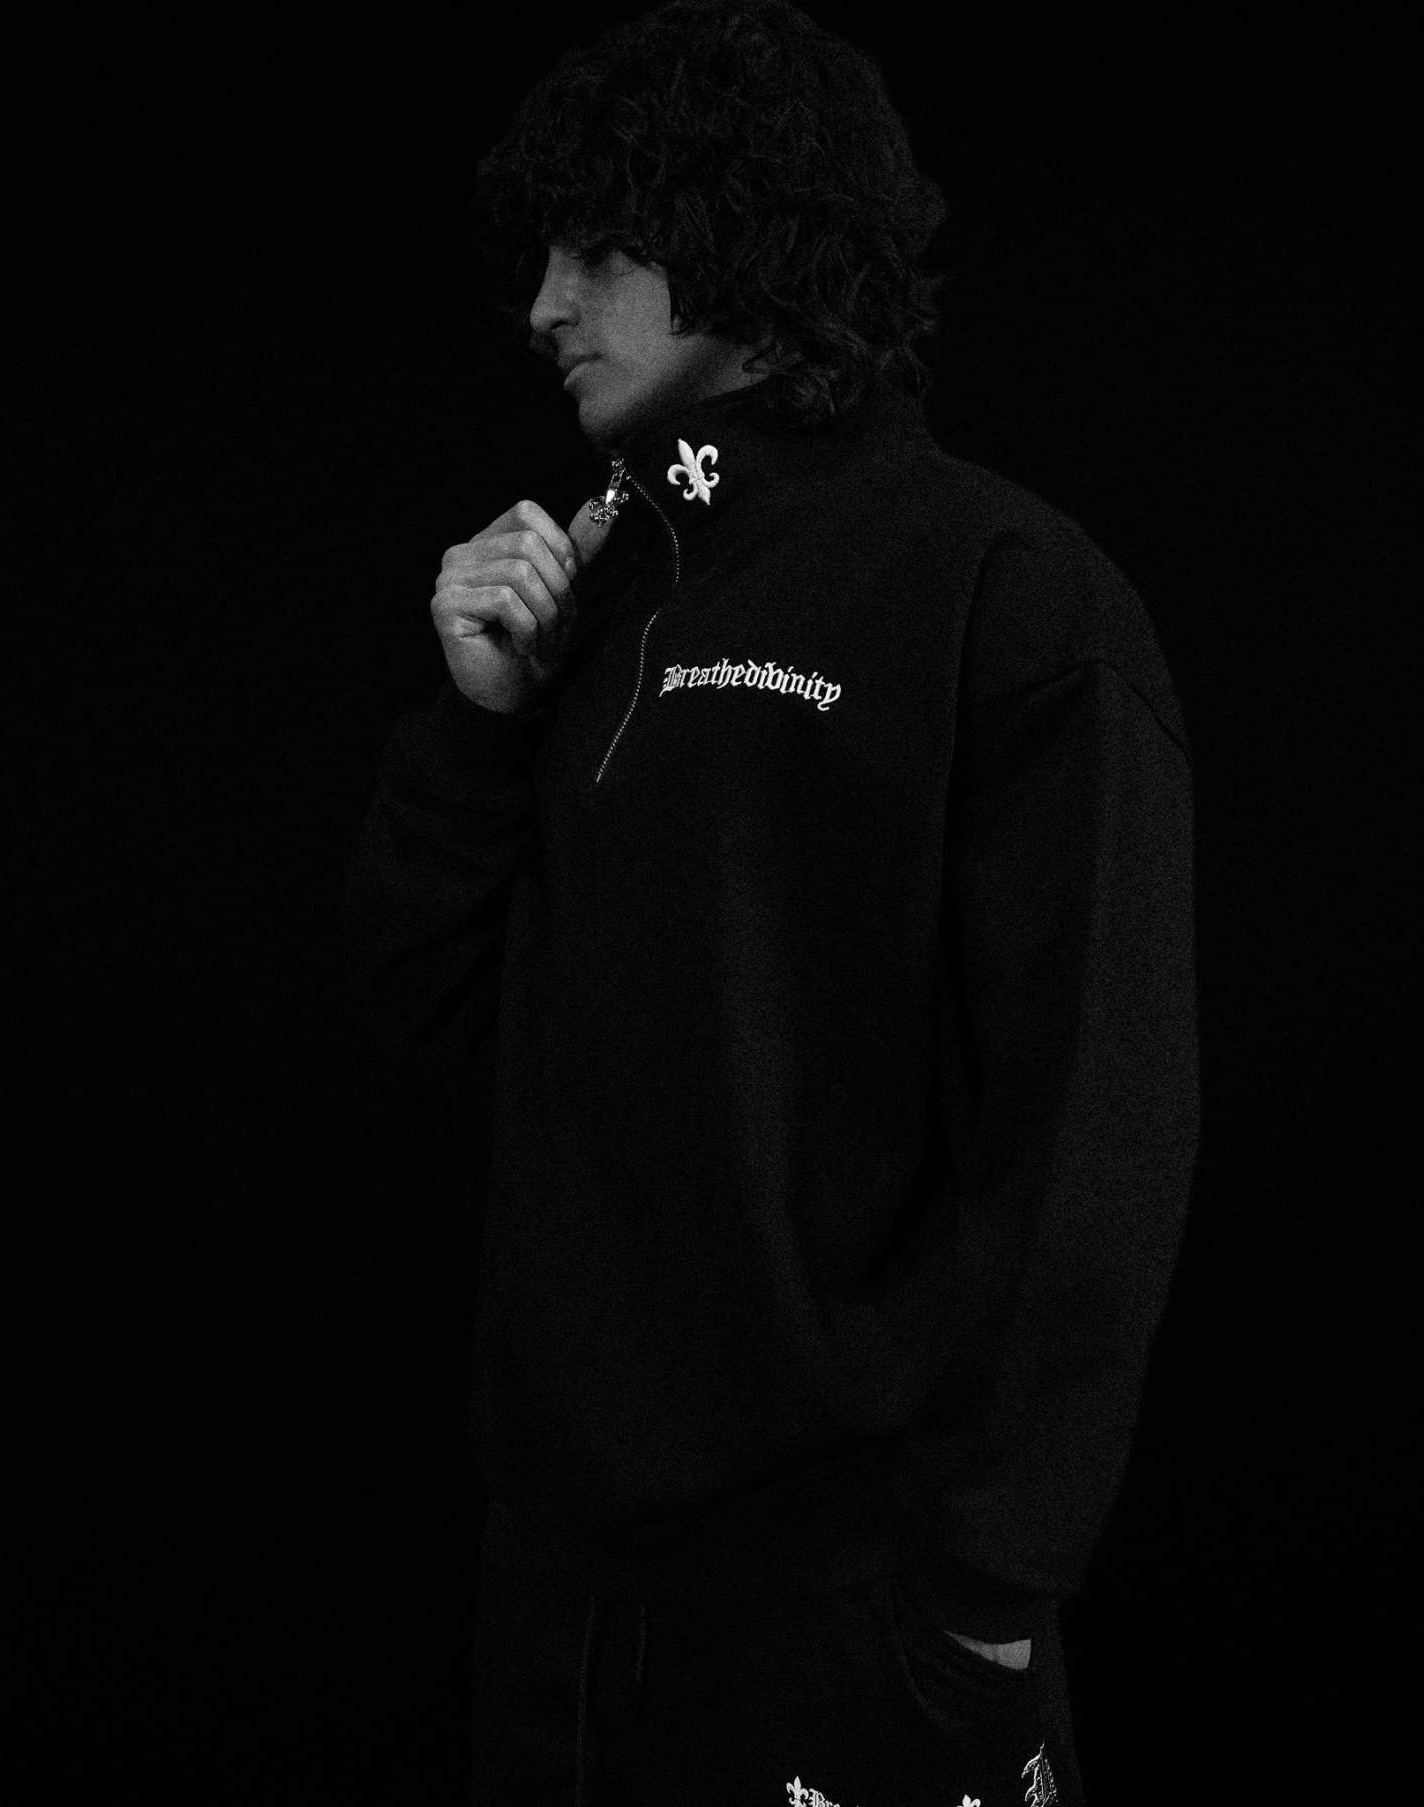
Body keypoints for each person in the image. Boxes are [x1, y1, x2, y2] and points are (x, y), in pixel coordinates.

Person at [340, 3, 1200, 1801]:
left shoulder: (1001, 592)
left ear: (736, 234)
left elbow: (1091, 1132)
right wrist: (478, 730)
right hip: (559, 1610)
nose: (542, 308)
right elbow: (422, 1051)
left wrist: (980, 1595)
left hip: (854, 1617)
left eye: (597, 247)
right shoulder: (583, 609)